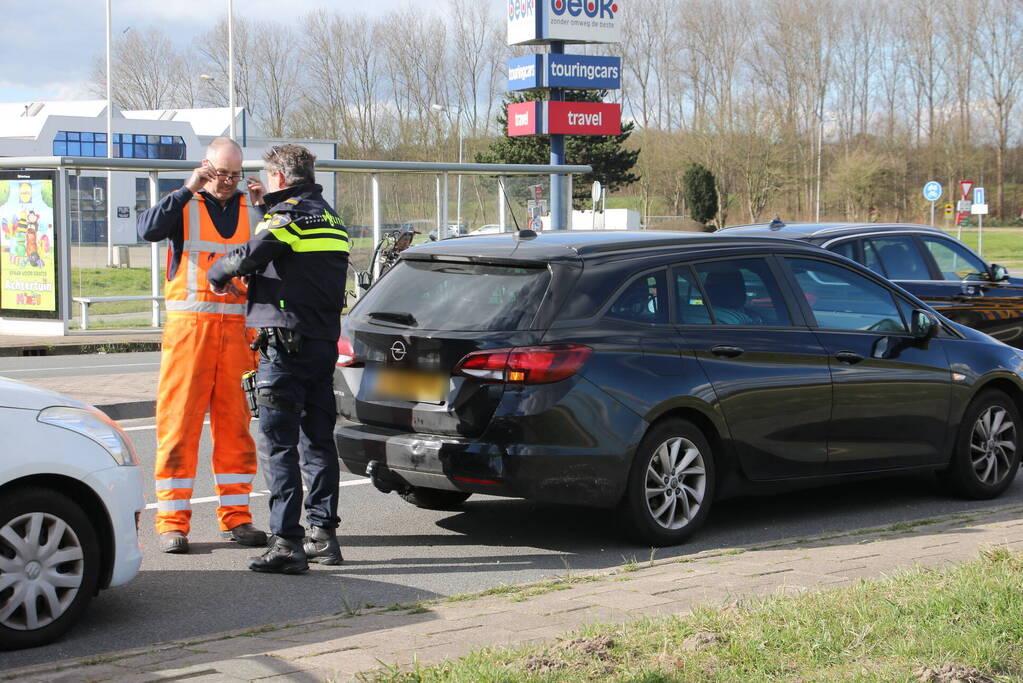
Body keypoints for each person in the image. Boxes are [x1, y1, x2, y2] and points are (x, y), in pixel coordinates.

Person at [207, 144, 349, 574]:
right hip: (322, 345)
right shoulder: (331, 218)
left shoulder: (288, 216)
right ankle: (323, 536)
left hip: (283, 348)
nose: (268, 183)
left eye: (270, 177)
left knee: (280, 446)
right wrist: (262, 209)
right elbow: (294, 263)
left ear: (281, 178)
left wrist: (217, 274)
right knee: (318, 443)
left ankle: (287, 543)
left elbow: (252, 253)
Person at [138, 137, 267, 554]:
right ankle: (172, 522)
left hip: (238, 336)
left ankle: (238, 518)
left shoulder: (252, 209)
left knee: (236, 429)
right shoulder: (185, 204)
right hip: (189, 334)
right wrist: (189, 187)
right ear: (205, 167)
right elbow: (148, 229)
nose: (227, 182)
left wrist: (267, 206)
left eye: (234, 174)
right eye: (219, 173)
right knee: (178, 427)